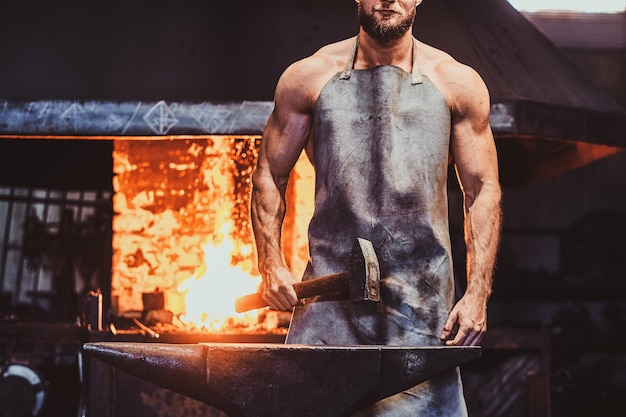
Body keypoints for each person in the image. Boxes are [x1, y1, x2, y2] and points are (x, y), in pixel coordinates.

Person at [250, 0, 502, 415]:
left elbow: (482, 191)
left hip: (421, 305)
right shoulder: (309, 77)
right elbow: (268, 176)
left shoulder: (457, 82)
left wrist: (478, 294)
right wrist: (270, 262)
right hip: (329, 302)